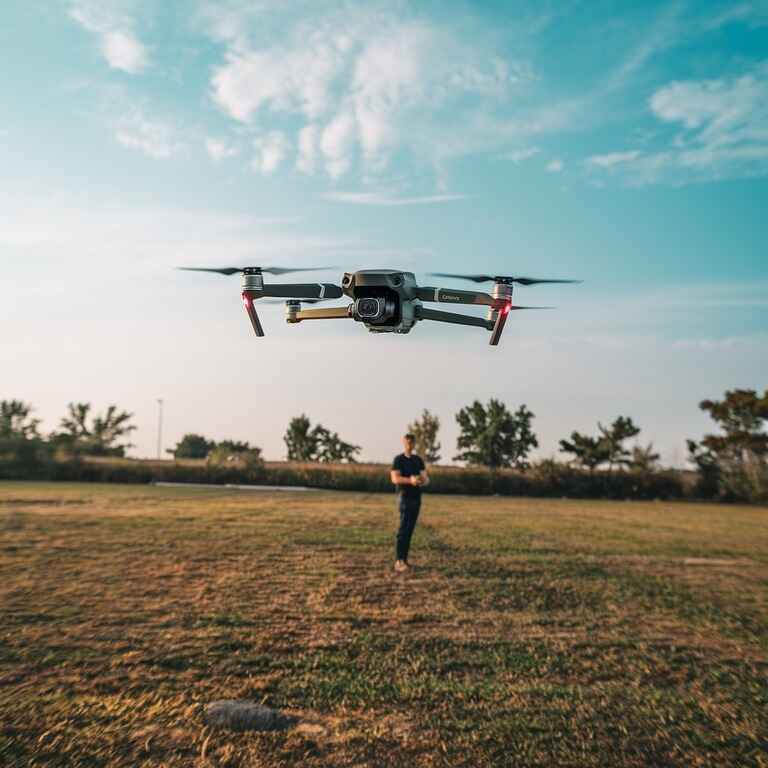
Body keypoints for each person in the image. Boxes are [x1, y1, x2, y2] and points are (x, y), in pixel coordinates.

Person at [390, 433, 429, 572]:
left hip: (416, 498)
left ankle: (405, 560)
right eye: (407, 442)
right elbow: (395, 479)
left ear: (414, 444)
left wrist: (421, 480)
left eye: (412, 443)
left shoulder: (418, 460)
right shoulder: (398, 459)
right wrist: (411, 480)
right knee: (403, 529)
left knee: (410, 530)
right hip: (404, 497)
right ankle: (399, 560)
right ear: (403, 443)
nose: (409, 445)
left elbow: (425, 477)